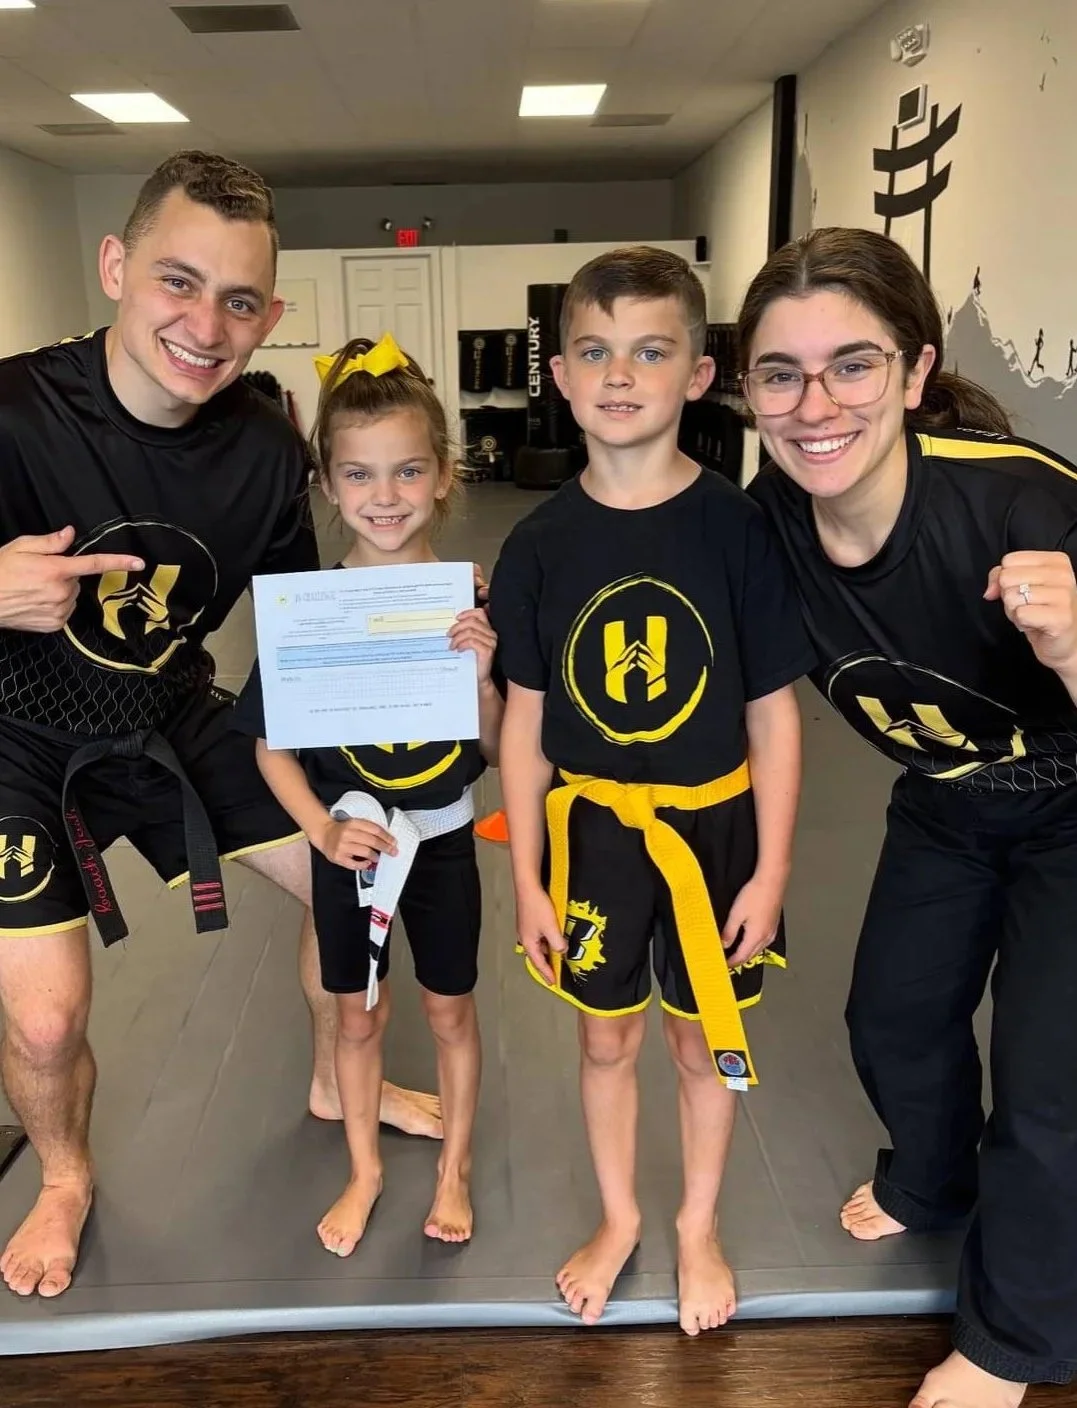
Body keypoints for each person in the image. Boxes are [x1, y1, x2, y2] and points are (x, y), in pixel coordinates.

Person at [0, 151, 439, 1303]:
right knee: (45, 1025)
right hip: (11, 737)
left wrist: (435, 631)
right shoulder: (8, 410)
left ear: (271, 317)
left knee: (356, 873)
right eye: (177, 282)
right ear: (115, 267)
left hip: (166, 709)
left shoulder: (263, 450)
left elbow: (308, 631)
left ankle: (338, 1079)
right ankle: (62, 1174)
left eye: (239, 299)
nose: (205, 323)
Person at [740, 226, 1077, 1408]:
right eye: (780, 373)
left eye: (854, 364)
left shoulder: (1022, 500)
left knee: (1049, 1079)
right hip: (945, 798)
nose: (814, 403)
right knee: (892, 1015)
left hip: (1072, 800)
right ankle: (932, 1181)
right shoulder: (771, 517)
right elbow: (652, 591)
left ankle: (1013, 1345)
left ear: (916, 371)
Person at [489, 247, 813, 1335]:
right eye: (595, 350)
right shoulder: (538, 543)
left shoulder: (738, 526)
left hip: (716, 826)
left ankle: (697, 1221)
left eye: (649, 349)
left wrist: (769, 868)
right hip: (595, 838)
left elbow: (774, 711)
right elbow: (526, 720)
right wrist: (529, 878)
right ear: (562, 375)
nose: (619, 374)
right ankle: (624, 1213)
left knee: (696, 1036)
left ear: (699, 373)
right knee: (604, 1038)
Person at [233, 333, 502, 1251]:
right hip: (356, 840)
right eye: (358, 476)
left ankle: (455, 1168)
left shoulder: (469, 602)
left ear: (441, 478)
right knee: (358, 1014)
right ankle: (365, 1172)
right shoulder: (308, 612)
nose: (382, 498)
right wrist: (317, 829)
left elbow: (498, 748)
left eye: (405, 472)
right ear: (328, 484)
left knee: (449, 1008)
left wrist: (481, 674)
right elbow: (271, 752)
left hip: (447, 836)